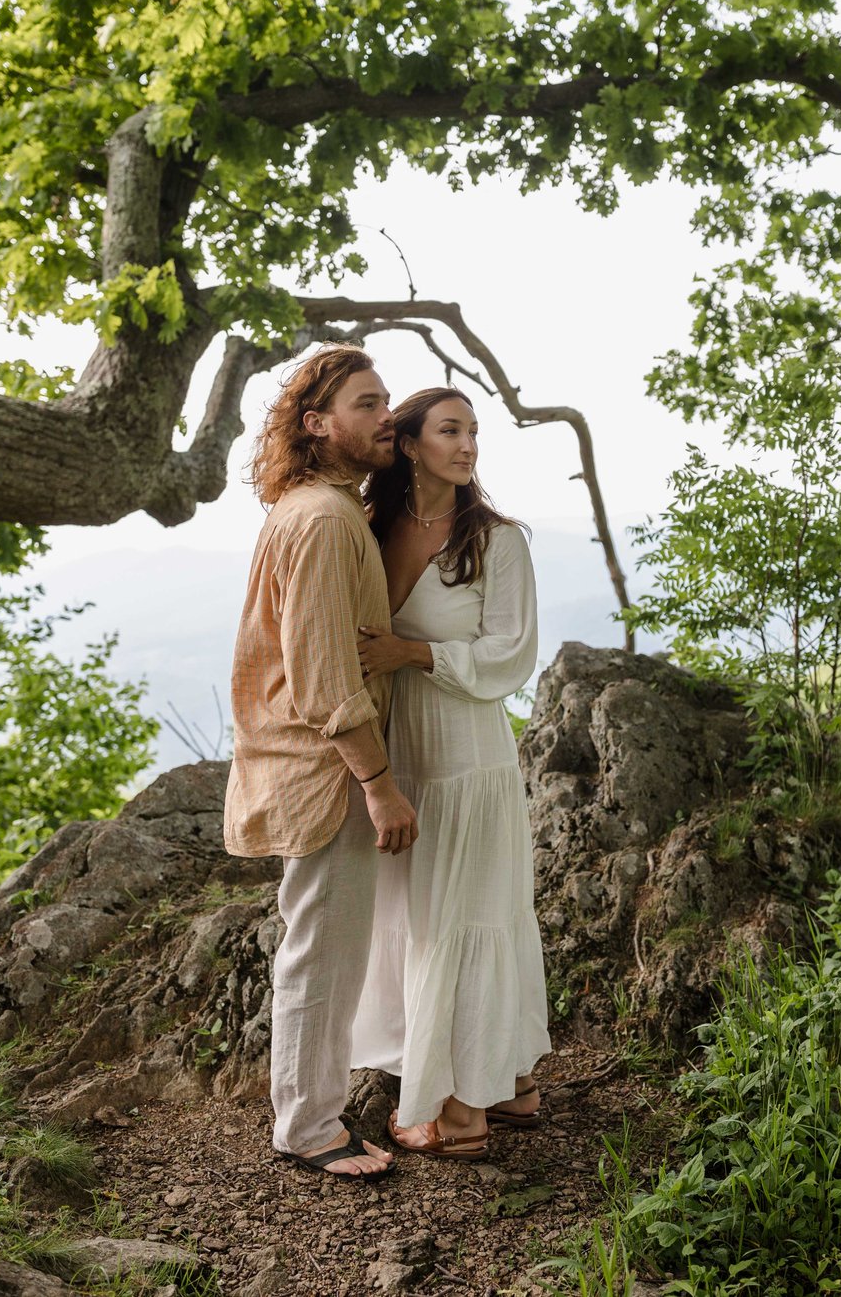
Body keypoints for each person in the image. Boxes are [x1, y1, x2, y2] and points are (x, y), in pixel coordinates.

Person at [224, 343, 419, 1182]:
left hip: (324, 770)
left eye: (387, 402)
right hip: (327, 774)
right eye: (368, 405)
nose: (389, 418)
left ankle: (311, 1113)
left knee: (326, 945)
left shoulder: (328, 509)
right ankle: (307, 1129)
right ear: (318, 425)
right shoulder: (323, 519)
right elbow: (326, 678)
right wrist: (378, 785)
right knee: (322, 950)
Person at [350, 387, 551, 1161]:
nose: (468, 446)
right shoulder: (376, 529)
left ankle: (464, 1112)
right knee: (425, 920)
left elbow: (511, 653)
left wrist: (416, 652)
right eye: (450, 430)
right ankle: (513, 1089)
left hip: (470, 759)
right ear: (407, 444)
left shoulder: (497, 541)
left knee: (468, 921)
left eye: (473, 432)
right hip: (406, 756)